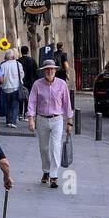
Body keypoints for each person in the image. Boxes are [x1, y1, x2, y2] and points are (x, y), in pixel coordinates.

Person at [26, 57, 73, 188]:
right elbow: (32, 102)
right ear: (43, 71)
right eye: (47, 69)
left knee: (55, 147)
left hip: (57, 119)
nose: (49, 71)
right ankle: (46, 171)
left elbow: (67, 104)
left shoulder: (62, 84)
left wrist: (69, 122)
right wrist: (31, 119)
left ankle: (54, 175)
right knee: (44, 148)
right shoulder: (37, 84)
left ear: (55, 70)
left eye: (52, 69)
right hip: (41, 119)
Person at [0, 49, 23, 128]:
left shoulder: (3, 65)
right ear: (13, 56)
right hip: (15, 86)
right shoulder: (18, 64)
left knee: (7, 104)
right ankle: (13, 121)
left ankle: (8, 121)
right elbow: (22, 74)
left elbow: (0, 77)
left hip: (5, 87)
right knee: (14, 104)